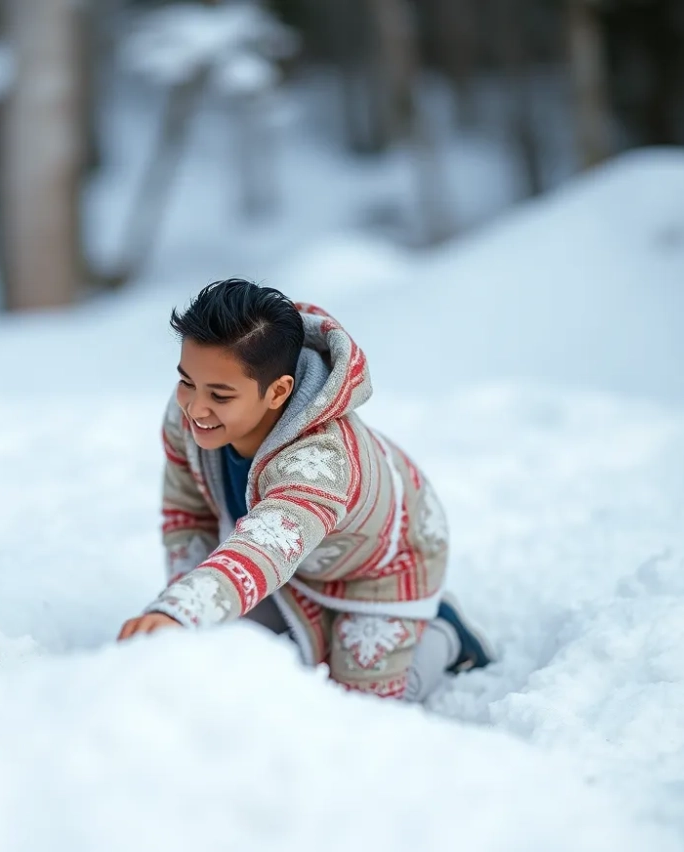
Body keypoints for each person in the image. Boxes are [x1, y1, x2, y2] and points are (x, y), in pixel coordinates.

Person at [117, 279, 494, 701]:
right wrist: (182, 614)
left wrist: (186, 610)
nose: (195, 408)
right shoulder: (188, 414)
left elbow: (264, 547)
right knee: (215, 655)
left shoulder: (323, 462)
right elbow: (186, 510)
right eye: (187, 381)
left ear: (278, 392)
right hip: (295, 560)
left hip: (386, 565)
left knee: (358, 710)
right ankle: (308, 622)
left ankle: (444, 631)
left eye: (220, 395)